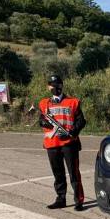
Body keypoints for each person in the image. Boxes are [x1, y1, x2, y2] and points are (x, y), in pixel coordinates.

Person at [39, 75, 87, 211]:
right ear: (49, 87)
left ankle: (79, 200)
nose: (55, 88)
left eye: (57, 84)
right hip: (52, 143)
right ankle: (61, 199)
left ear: (61, 86)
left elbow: (81, 121)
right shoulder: (43, 103)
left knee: (74, 173)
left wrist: (73, 131)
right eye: (52, 85)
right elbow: (41, 120)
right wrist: (47, 124)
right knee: (58, 173)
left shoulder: (73, 102)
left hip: (69, 143)